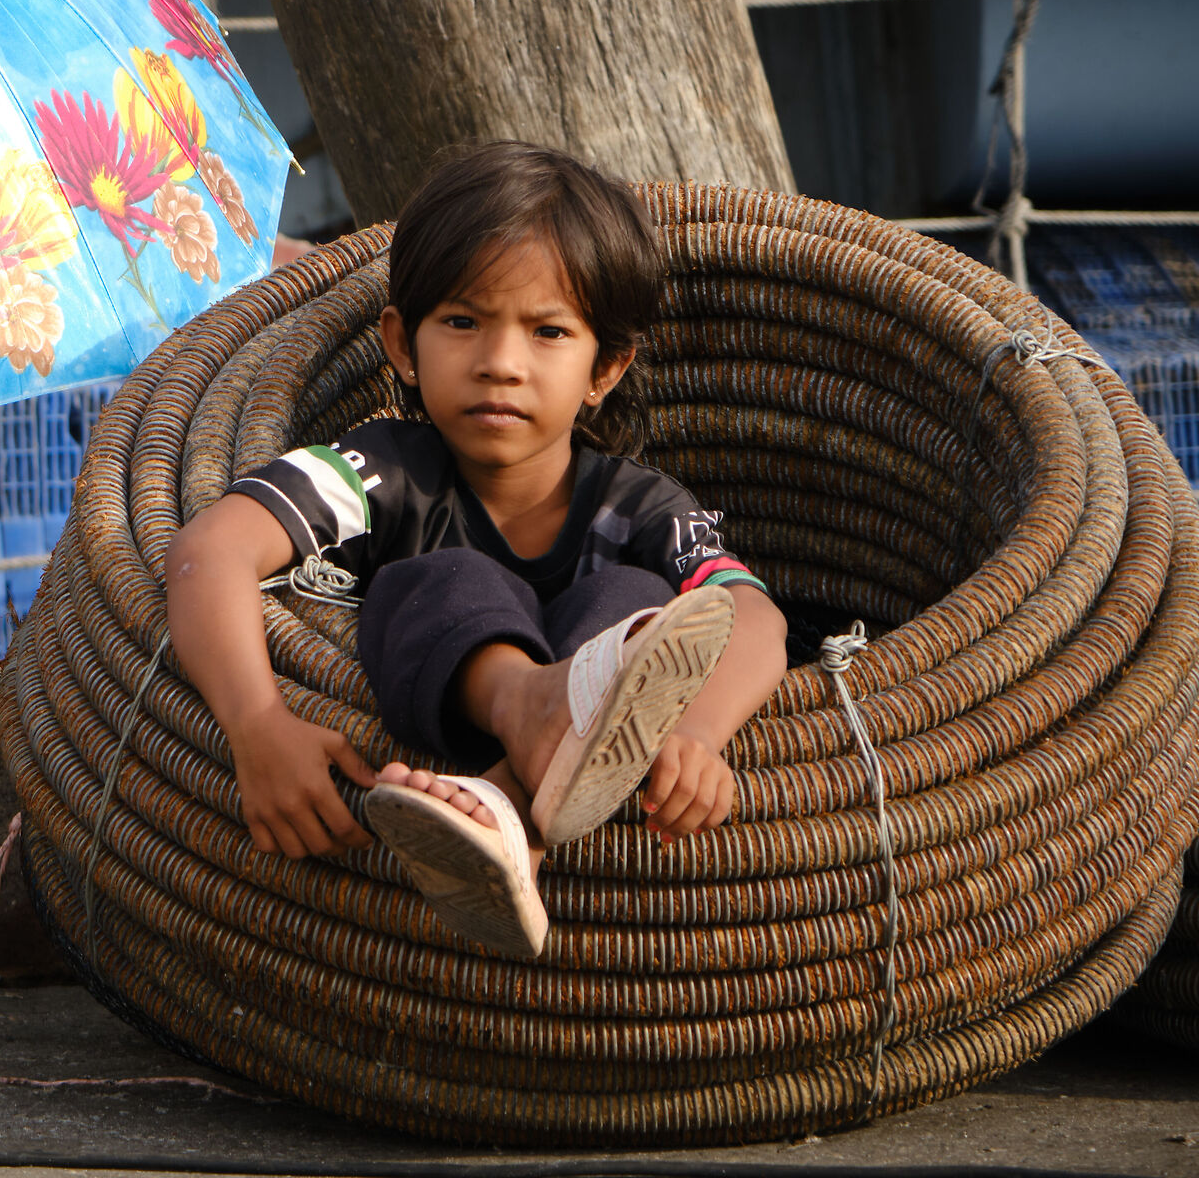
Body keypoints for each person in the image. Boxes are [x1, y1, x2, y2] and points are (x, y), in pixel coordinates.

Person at [163, 142, 786, 959]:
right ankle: (532, 714)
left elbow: (752, 615)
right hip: (431, 682)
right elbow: (209, 551)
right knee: (445, 579)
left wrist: (696, 735)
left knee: (637, 602)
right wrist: (257, 724)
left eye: (548, 331)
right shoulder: (383, 471)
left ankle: (501, 809)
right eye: (462, 322)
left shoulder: (637, 508)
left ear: (606, 367)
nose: (500, 364)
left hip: (588, 683)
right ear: (401, 344)